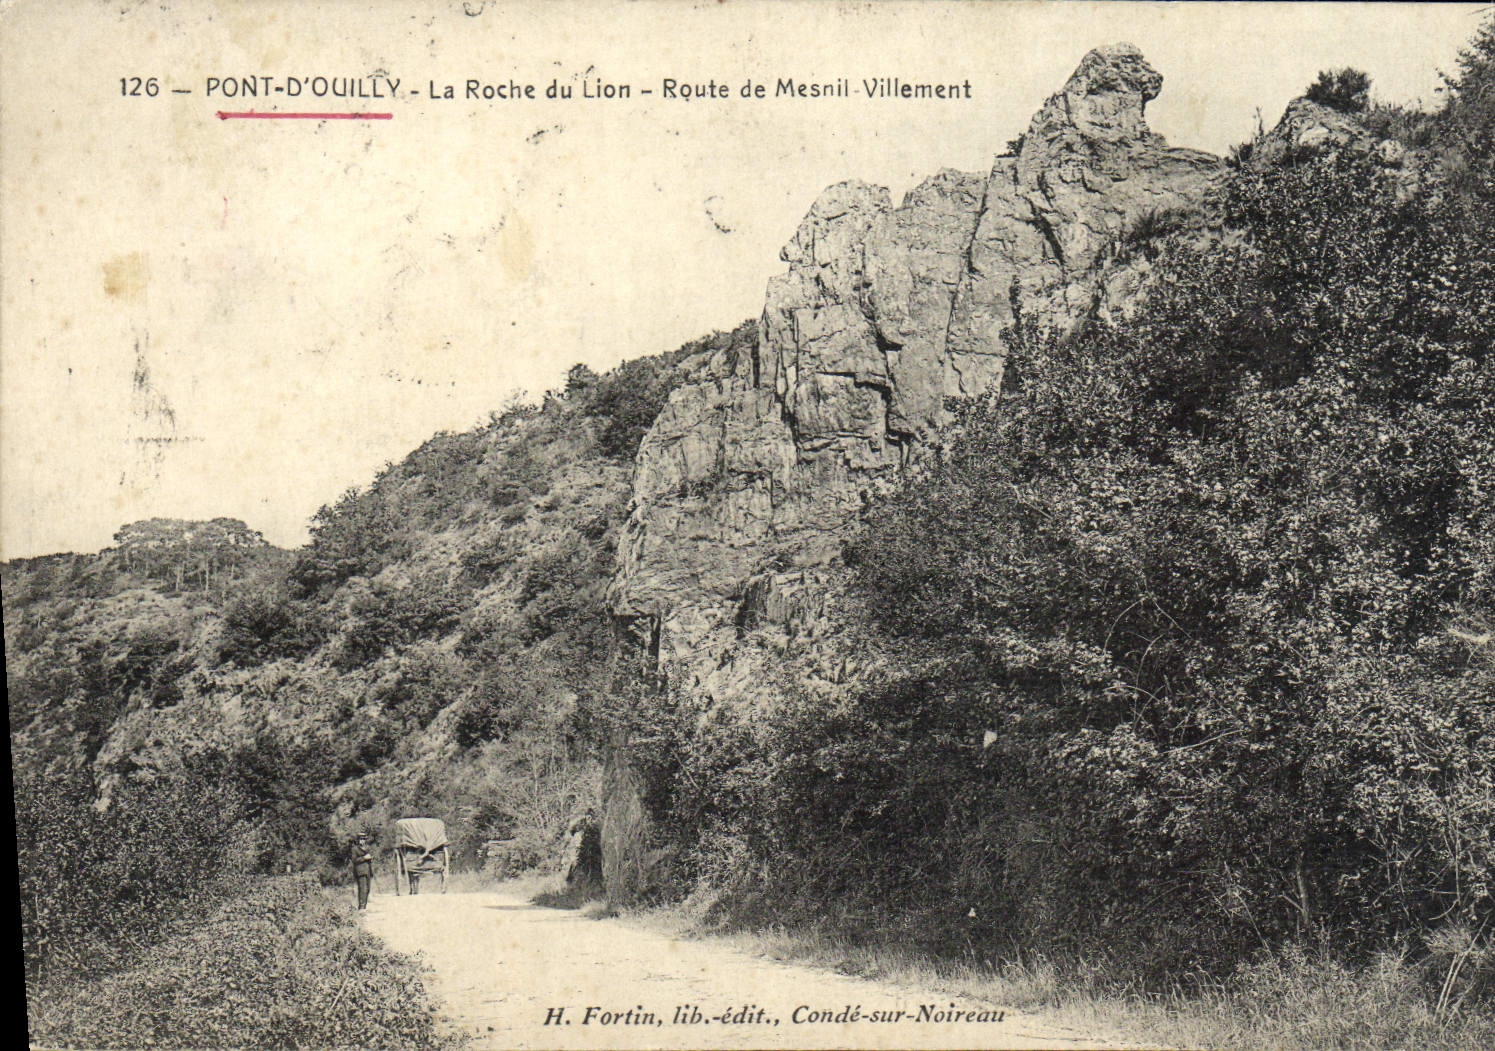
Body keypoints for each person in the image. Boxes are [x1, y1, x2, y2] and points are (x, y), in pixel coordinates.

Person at [351, 833, 375, 910]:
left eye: (364, 839)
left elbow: (370, 858)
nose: (362, 841)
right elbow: (354, 860)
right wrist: (364, 858)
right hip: (360, 871)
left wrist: (370, 858)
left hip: (368, 870)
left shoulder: (367, 848)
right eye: (361, 839)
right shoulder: (355, 849)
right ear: (358, 840)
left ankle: (364, 906)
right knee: (362, 889)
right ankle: (361, 907)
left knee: (368, 889)